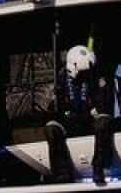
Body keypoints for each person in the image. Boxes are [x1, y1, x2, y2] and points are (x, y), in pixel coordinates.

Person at [45, 44, 116, 185]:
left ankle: (98, 167)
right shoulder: (61, 80)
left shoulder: (96, 79)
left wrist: (93, 111)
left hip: (89, 121)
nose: (85, 74)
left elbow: (103, 103)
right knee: (51, 128)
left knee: (104, 121)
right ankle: (61, 173)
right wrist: (63, 113)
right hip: (70, 122)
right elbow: (54, 107)